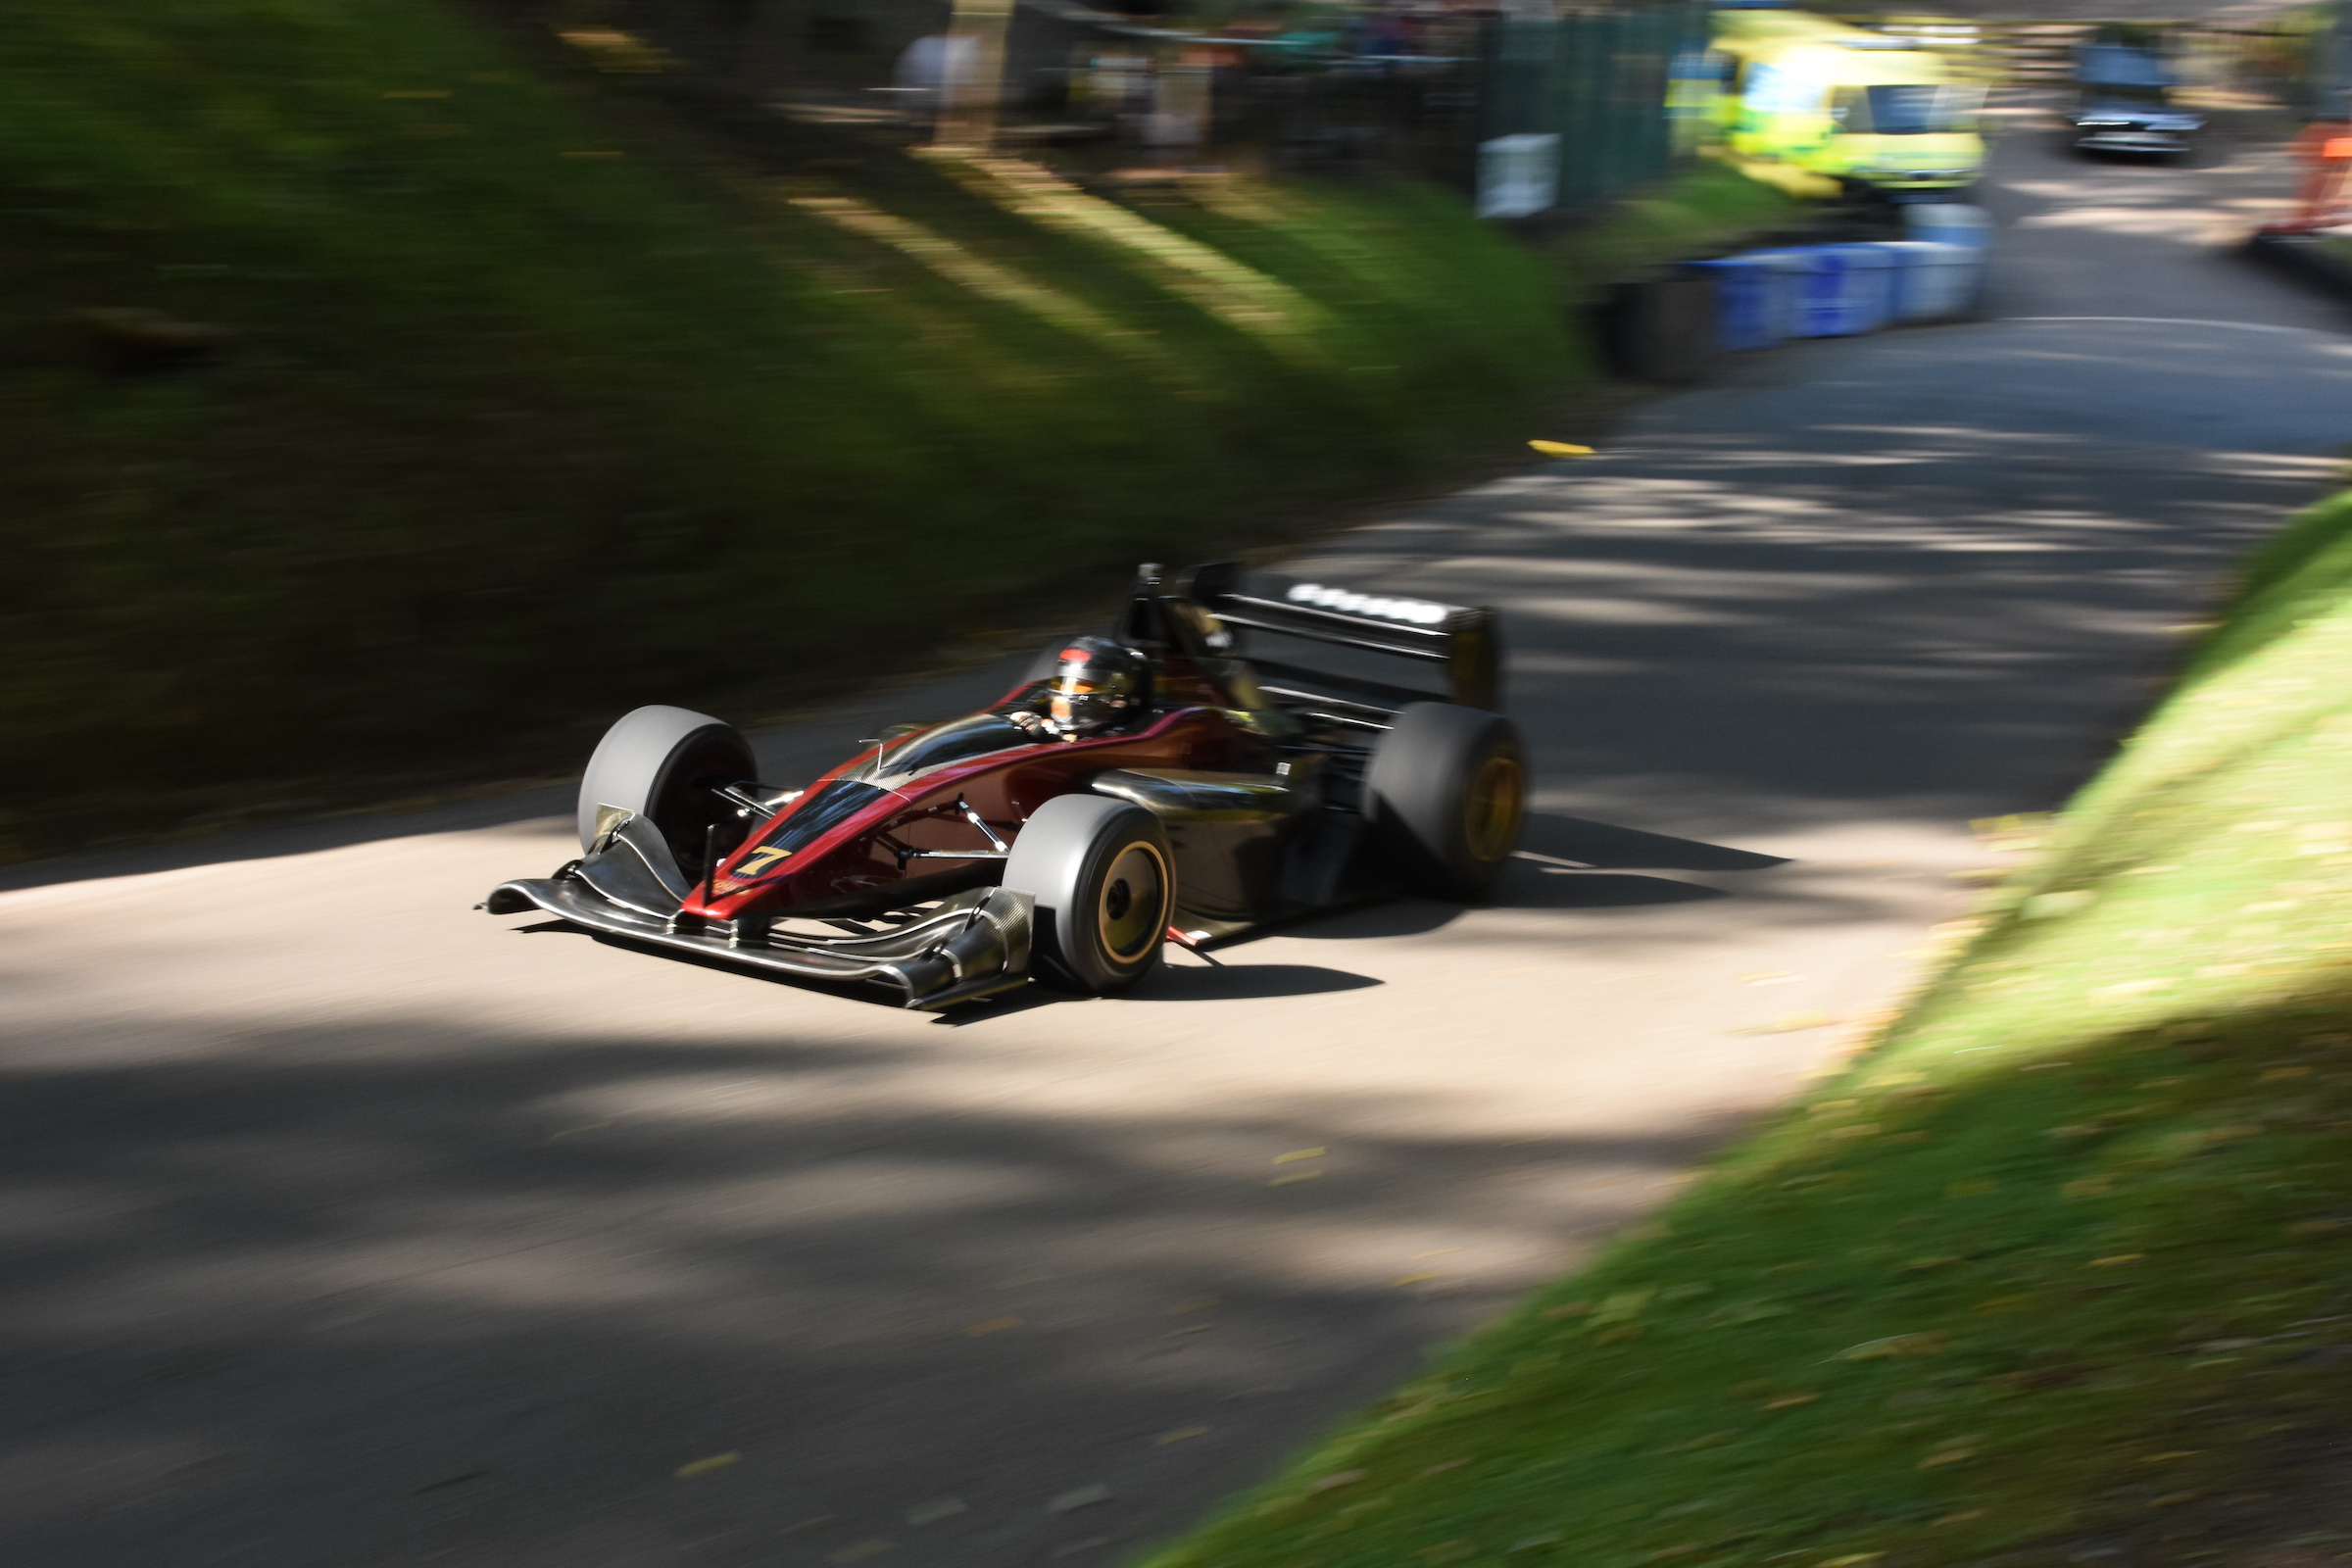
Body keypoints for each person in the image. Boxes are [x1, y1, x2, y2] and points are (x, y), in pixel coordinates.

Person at [1005, 638, 1150, 741]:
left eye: (1081, 686)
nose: (1066, 692)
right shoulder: (1043, 695)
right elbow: (1008, 713)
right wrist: (1024, 716)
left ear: (1115, 693)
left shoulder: (1131, 733)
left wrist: (1051, 735)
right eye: (1061, 683)